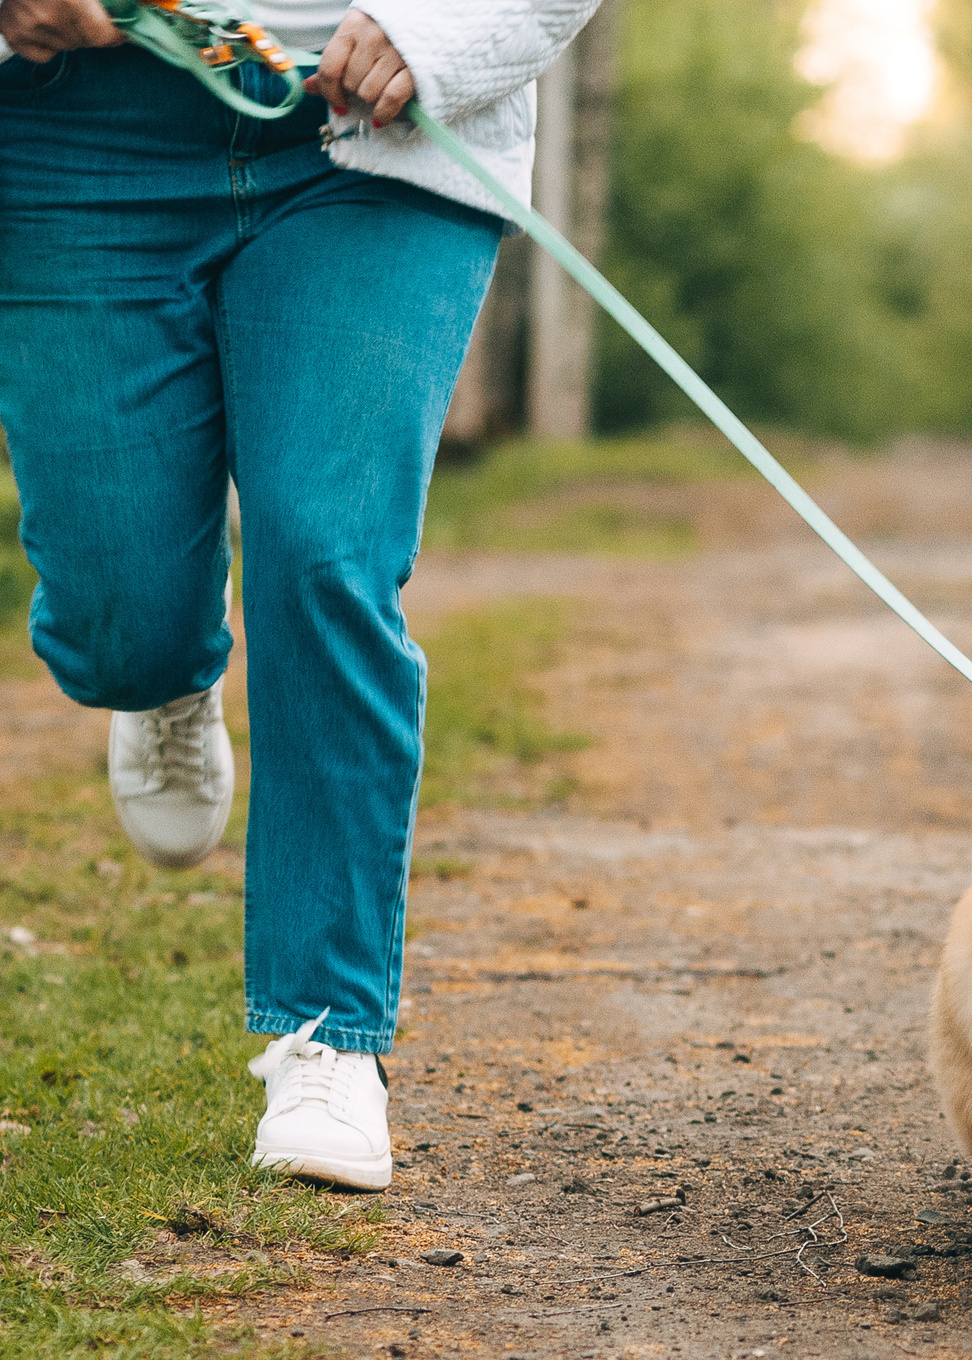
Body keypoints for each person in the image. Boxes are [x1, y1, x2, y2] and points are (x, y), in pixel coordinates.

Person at [0, 0, 602, 1190]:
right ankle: (162, 679)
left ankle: (330, 1037)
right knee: (121, 608)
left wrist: (442, 34)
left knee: (327, 551)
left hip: (371, 127)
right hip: (72, 126)